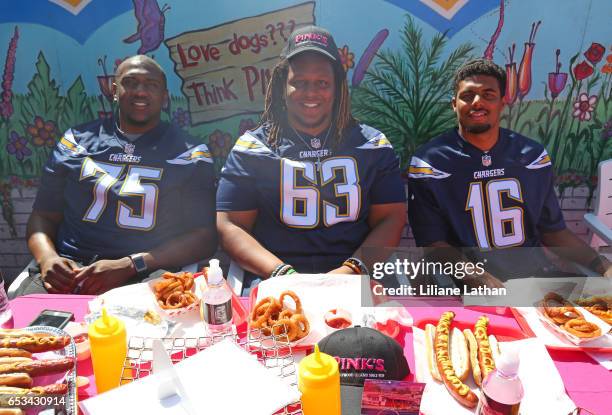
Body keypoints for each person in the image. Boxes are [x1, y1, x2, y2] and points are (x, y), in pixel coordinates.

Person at [216, 25, 407, 293]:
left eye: (322, 83)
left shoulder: (372, 144)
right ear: (283, 84)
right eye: (300, 82)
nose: (311, 92)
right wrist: (284, 274)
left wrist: (350, 271)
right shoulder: (253, 147)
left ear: (338, 86)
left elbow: (391, 218)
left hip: (354, 277)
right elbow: (231, 225)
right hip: (275, 278)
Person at [21, 55, 217, 296]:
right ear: (114, 90)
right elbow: (42, 217)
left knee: (157, 319)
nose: (140, 92)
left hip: (147, 271)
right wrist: (48, 258)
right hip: (73, 268)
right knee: (30, 327)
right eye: (131, 82)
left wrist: (132, 264)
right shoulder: (77, 141)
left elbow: (204, 237)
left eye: (151, 85)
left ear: (165, 96)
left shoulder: (190, 153)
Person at [408, 58, 611, 286]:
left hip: (533, 278)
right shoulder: (431, 162)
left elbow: (554, 232)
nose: (477, 102)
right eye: (467, 95)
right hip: (468, 285)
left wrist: (602, 265)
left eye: (488, 95)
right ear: (454, 103)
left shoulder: (531, 156)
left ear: (502, 103)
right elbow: (433, 244)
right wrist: (481, 279)